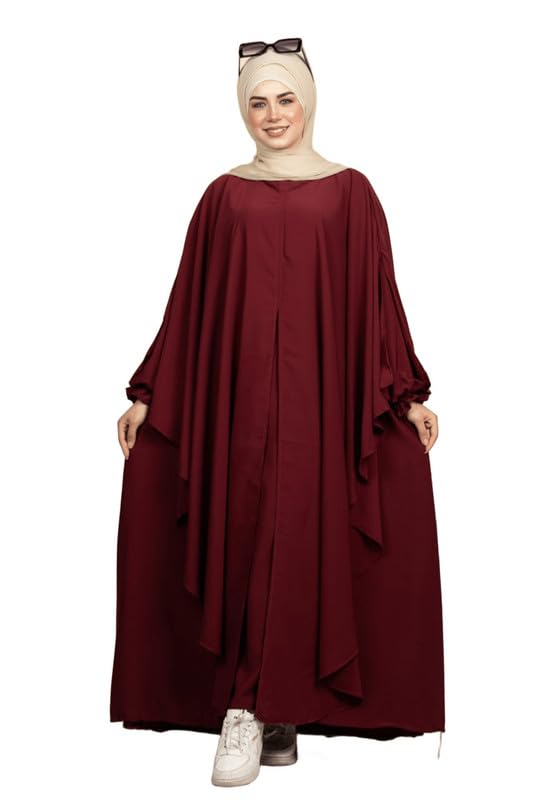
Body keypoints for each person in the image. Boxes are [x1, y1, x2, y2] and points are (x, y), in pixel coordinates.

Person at [110, 38, 445, 788]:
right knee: (243, 534)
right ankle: (246, 705)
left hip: (323, 408)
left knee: (306, 541)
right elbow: (189, 305)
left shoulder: (351, 193)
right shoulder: (223, 196)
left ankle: (277, 705)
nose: (272, 115)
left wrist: (407, 393)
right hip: (238, 408)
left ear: (308, 100)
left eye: (285, 98)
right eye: (257, 102)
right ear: (243, 110)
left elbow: (377, 300)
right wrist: (148, 395)